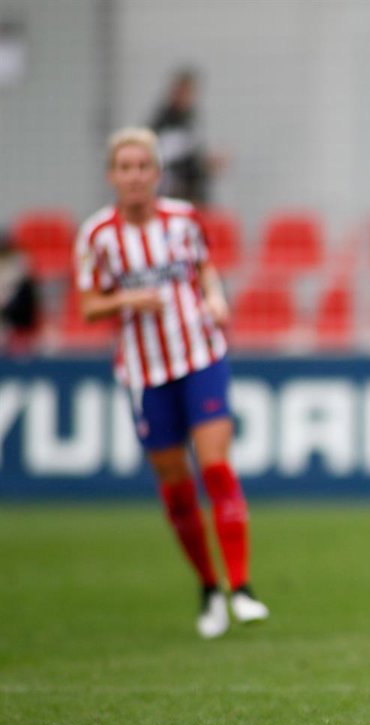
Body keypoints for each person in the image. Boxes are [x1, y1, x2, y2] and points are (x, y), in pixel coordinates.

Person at [75, 127, 268, 639]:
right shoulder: (98, 236)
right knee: (177, 489)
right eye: (125, 168)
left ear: (157, 173)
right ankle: (208, 586)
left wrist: (216, 297)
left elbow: (204, 270)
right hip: (145, 372)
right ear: (112, 176)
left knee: (216, 467)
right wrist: (128, 300)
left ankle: (241, 586)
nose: (135, 176)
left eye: (143, 166)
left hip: (200, 356)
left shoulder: (183, 220)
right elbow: (89, 306)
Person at [149, 68, 224, 206]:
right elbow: (165, 160)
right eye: (183, 92)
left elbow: (192, 157)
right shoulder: (163, 123)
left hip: (192, 195)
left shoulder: (190, 120)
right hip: (172, 196)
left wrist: (205, 165)